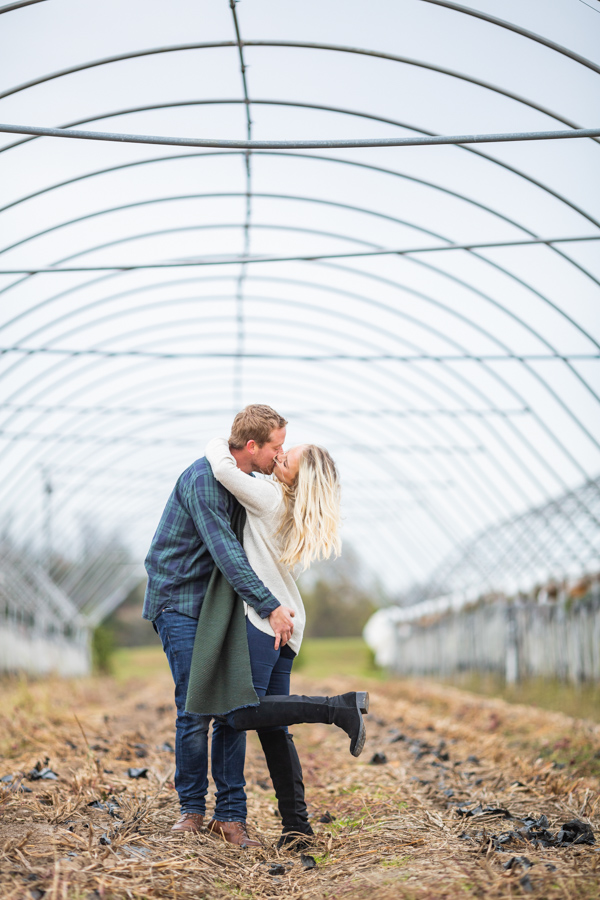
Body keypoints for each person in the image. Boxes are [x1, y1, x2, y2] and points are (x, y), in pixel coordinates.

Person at [202, 436, 368, 848]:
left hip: (266, 621)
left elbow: (222, 469)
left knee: (239, 714)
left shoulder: (270, 499)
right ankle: (298, 828)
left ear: (298, 474)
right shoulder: (287, 503)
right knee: (273, 728)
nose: (280, 454)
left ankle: (337, 708)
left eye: (287, 456)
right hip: (288, 620)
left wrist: (218, 441)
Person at [142, 405, 294, 847]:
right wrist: (270, 605)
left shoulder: (244, 482)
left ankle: (230, 818)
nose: (278, 457)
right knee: (195, 707)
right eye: (276, 448)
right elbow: (227, 552)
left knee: (234, 706)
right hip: (181, 601)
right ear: (251, 447)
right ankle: (191, 811)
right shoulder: (204, 481)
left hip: (220, 606)